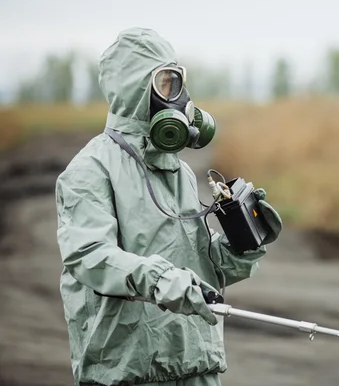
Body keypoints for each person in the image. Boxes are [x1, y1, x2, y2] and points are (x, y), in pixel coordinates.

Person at [55, 27, 282, 386]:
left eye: (177, 84)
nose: (178, 98)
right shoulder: (90, 170)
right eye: (166, 83)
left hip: (197, 367)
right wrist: (161, 280)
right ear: (134, 87)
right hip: (129, 371)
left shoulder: (181, 171)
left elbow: (198, 271)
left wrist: (244, 243)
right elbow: (90, 257)